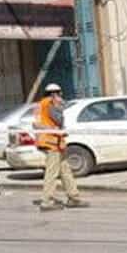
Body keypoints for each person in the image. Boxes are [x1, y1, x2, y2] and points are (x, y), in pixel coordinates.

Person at [33, 84, 88, 212]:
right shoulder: (50, 103)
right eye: (59, 94)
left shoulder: (40, 104)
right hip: (51, 142)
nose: (61, 96)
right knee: (52, 172)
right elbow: (58, 120)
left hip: (52, 142)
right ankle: (47, 201)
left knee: (65, 171)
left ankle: (73, 197)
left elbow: (36, 123)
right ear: (54, 94)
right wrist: (60, 106)